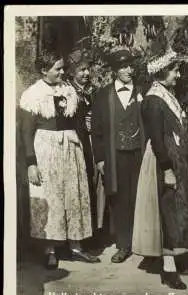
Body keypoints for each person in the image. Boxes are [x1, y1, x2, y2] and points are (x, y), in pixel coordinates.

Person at [20, 50, 99, 268]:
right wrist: (31, 163)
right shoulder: (32, 95)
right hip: (46, 149)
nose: (63, 72)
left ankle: (76, 247)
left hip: (70, 149)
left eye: (63, 68)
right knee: (51, 197)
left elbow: (78, 122)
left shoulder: (68, 90)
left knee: (74, 194)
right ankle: (50, 250)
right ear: (44, 70)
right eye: (58, 68)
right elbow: (26, 132)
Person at [132, 47, 188, 289]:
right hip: (164, 161)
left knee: (176, 208)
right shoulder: (153, 100)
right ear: (162, 73)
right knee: (167, 211)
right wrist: (167, 169)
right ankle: (168, 268)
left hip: (176, 158)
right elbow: (157, 139)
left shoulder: (166, 94)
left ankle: (176, 257)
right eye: (174, 71)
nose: (178, 75)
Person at [92, 49, 146, 264]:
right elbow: (96, 130)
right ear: (115, 70)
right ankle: (123, 244)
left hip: (140, 153)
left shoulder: (143, 91)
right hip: (115, 156)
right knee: (119, 199)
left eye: (131, 66)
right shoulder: (103, 95)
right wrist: (100, 159)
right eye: (123, 66)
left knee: (141, 196)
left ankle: (143, 243)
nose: (128, 70)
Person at [66, 48, 100, 237]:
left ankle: (92, 230)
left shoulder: (92, 91)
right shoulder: (68, 92)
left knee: (92, 182)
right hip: (76, 141)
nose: (86, 73)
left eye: (87, 69)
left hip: (91, 140)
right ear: (72, 72)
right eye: (81, 70)